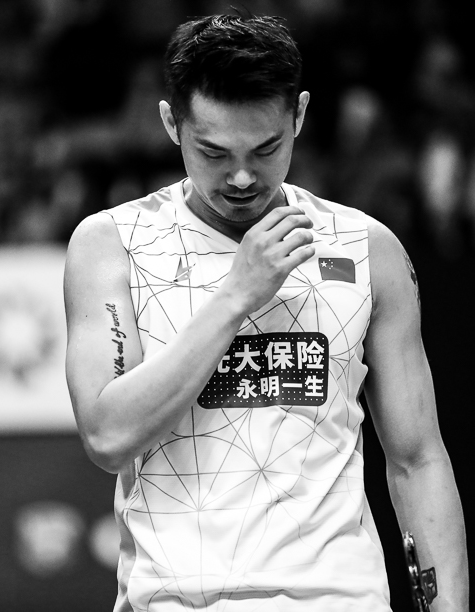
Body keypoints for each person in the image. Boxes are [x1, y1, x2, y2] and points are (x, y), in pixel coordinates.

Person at [64, 12, 468, 612]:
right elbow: (107, 435)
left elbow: (417, 459)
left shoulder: (367, 248)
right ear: (171, 123)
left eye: (266, 148)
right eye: (213, 152)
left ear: (299, 115)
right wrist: (237, 295)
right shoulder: (111, 244)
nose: (241, 176)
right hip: (176, 600)